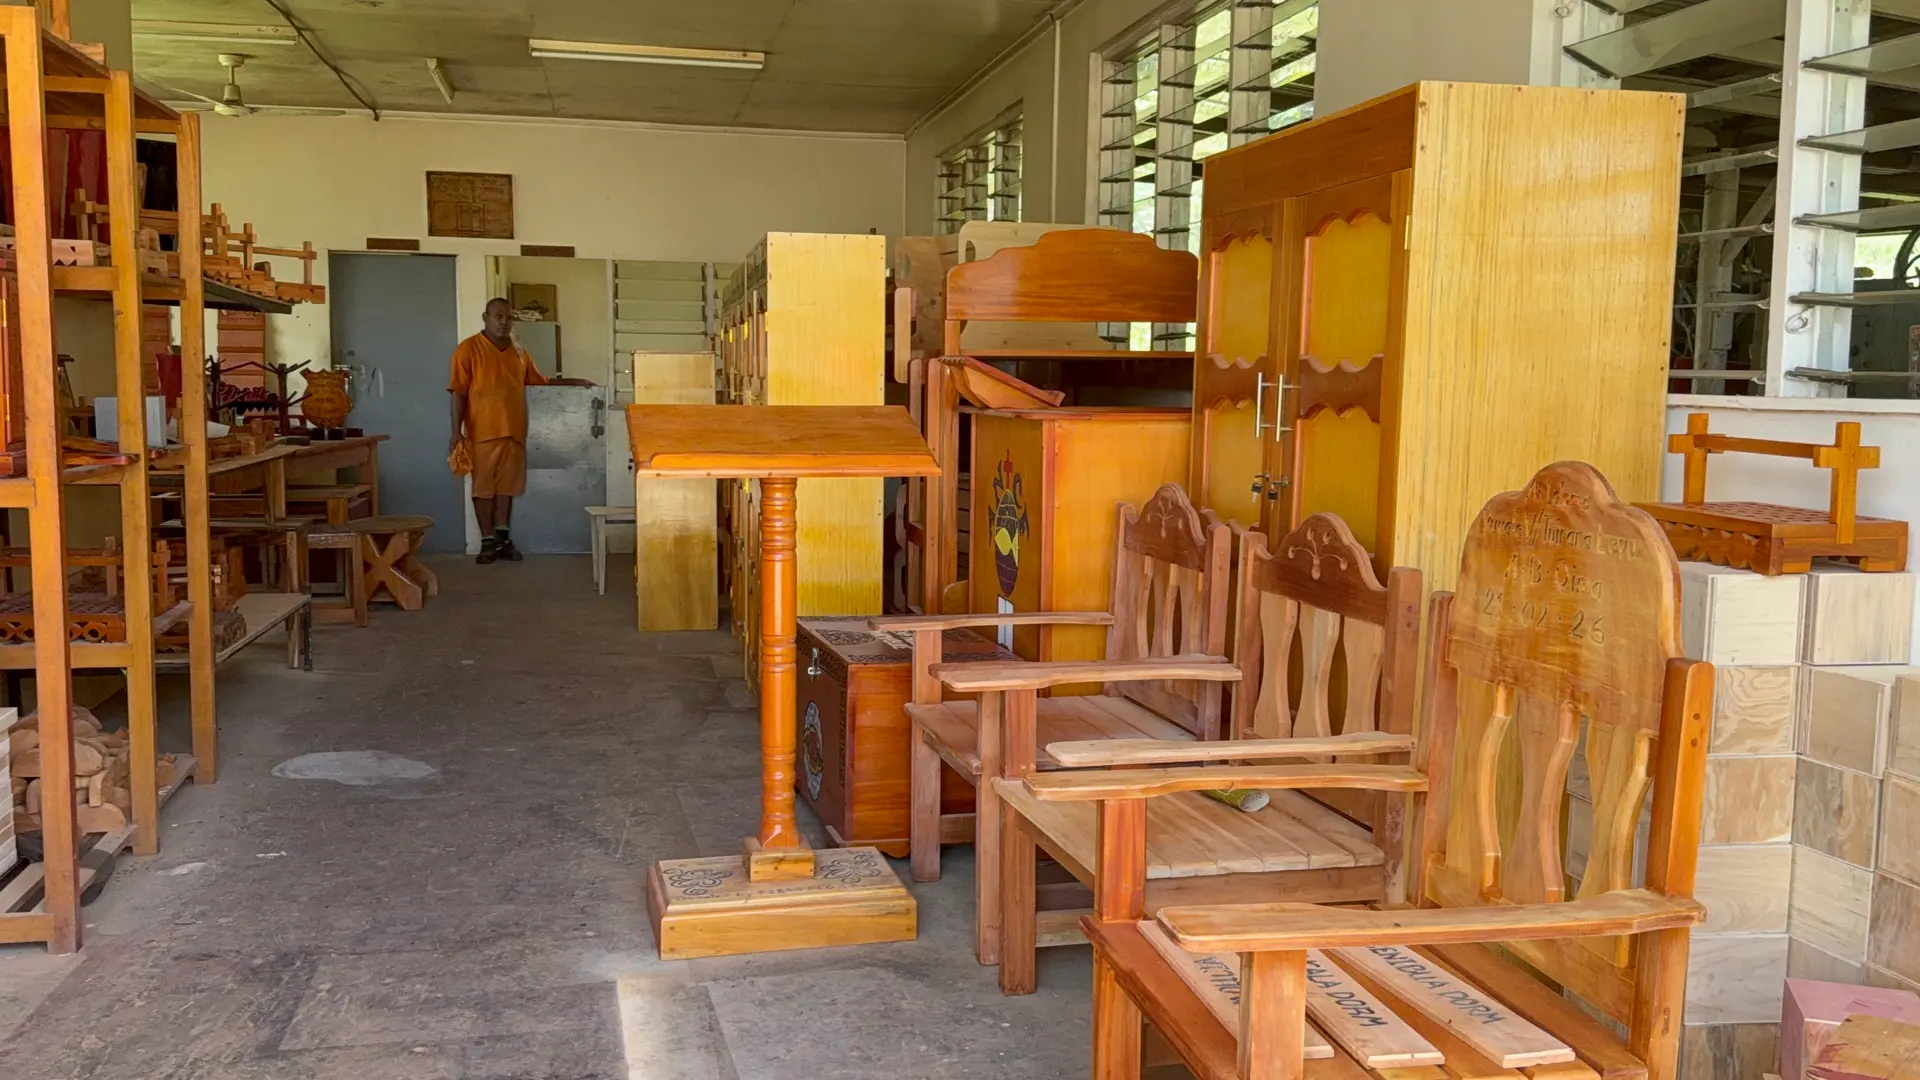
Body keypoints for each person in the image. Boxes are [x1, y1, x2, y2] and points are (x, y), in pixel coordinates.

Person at [447, 297, 593, 563]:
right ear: (486, 318)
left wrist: (574, 382)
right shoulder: (468, 349)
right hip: (482, 432)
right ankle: (487, 541)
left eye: (508, 317)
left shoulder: (519, 353)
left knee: (507, 489)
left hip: (514, 431)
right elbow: (458, 392)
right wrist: (456, 432)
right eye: (498, 316)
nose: (504, 322)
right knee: (483, 490)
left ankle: (502, 539)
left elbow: (540, 382)